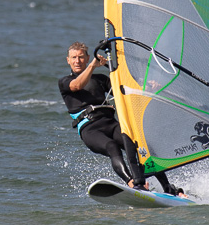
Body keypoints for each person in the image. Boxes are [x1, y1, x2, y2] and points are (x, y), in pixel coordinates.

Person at [58, 41, 185, 196]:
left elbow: (126, 92)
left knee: (141, 146)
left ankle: (168, 188)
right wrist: (92, 66)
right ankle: (133, 183)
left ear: (87, 57)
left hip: (111, 124)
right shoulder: (65, 81)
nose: (77, 61)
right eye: (74, 58)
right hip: (90, 129)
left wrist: (147, 87)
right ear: (68, 60)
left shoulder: (100, 79)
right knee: (112, 147)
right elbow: (77, 86)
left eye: (81, 57)